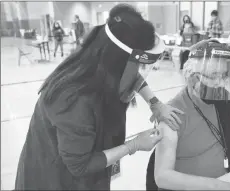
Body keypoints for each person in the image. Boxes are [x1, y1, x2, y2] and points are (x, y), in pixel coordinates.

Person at [14, 4, 184, 190]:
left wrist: (155, 103)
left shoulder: (102, 66)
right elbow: (80, 165)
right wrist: (133, 145)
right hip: (55, 179)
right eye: (138, 64)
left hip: (91, 167)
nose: (139, 71)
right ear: (118, 62)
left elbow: (132, 75)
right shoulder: (73, 99)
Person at [146, 40, 230, 190]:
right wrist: (218, 186)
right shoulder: (172, 113)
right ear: (191, 76)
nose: (219, 83)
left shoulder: (222, 97)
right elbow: (163, 176)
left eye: (224, 75)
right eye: (213, 76)